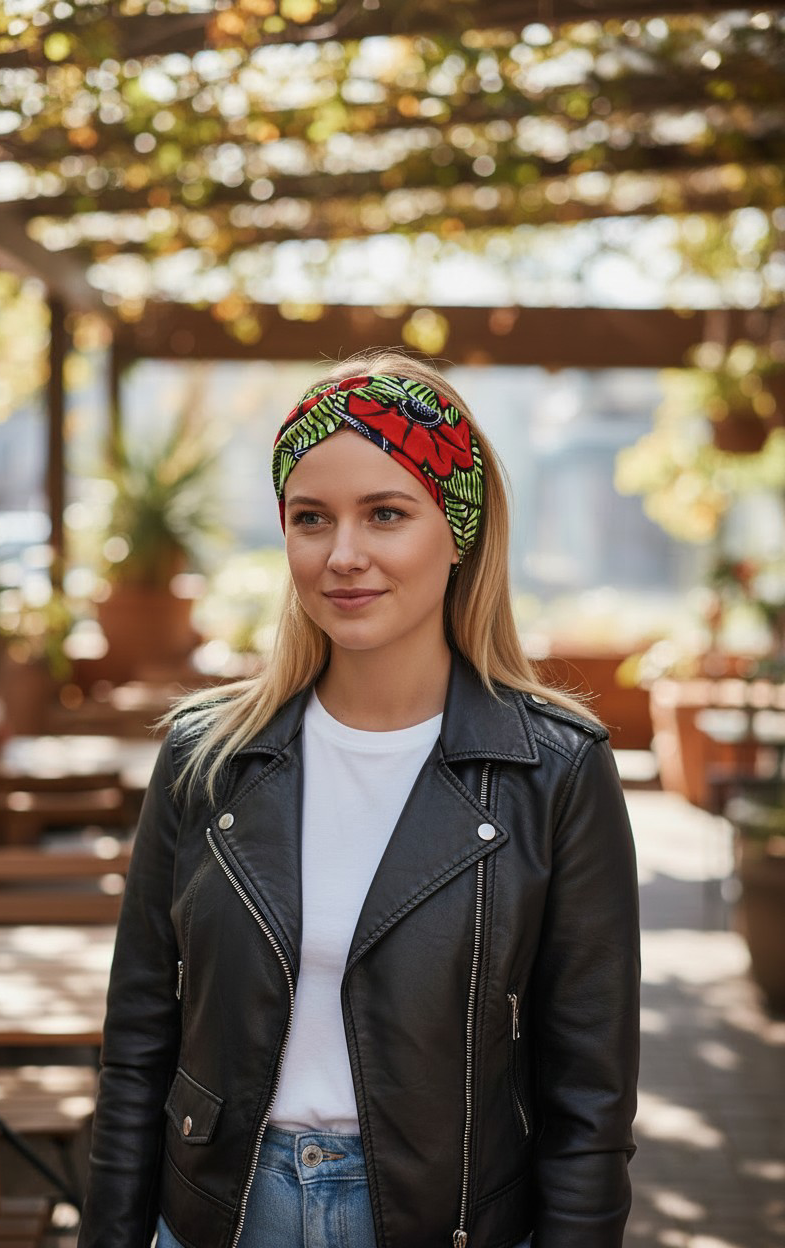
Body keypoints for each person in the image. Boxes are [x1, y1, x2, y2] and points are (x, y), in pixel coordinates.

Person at [78, 349, 640, 1248]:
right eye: (311, 519)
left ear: (457, 529)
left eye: (385, 513)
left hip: (442, 1221)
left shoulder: (555, 772)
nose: (344, 556)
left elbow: (590, 1102)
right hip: (220, 1213)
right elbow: (137, 1045)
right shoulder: (206, 757)